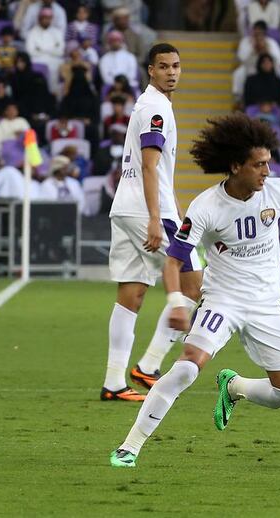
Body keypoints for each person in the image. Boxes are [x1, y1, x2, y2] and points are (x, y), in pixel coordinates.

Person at [110, 113, 280, 468]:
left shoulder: (276, 190)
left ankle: (234, 387)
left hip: (268, 305)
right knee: (186, 370)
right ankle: (130, 446)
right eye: (258, 165)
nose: (266, 171)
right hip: (224, 301)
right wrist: (175, 302)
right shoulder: (206, 207)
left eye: (268, 163)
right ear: (235, 166)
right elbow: (174, 261)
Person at [102, 44, 203, 402]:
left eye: (176, 66)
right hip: (146, 211)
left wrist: (172, 205)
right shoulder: (156, 109)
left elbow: (156, 170)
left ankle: (114, 382)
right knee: (194, 284)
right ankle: (150, 364)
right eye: (164, 67)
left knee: (133, 291)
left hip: (127, 207)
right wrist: (157, 219)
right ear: (150, 70)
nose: (172, 72)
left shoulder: (148, 105)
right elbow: (148, 165)